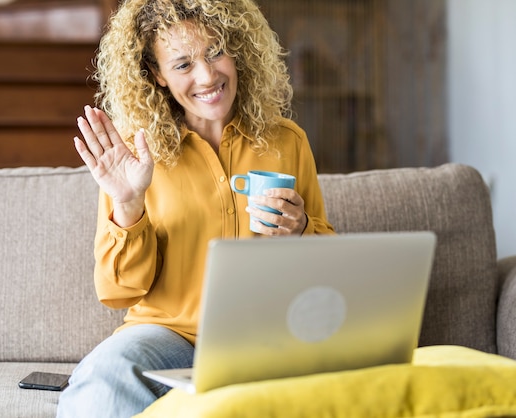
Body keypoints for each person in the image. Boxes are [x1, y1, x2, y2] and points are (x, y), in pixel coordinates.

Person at [56, 0, 335, 416]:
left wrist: (299, 231)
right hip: (169, 339)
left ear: (237, 50)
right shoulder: (133, 157)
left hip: (267, 339)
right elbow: (117, 293)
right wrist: (129, 202)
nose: (208, 76)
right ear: (158, 76)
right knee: (106, 372)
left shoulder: (287, 142)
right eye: (183, 65)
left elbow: (329, 269)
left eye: (216, 51)